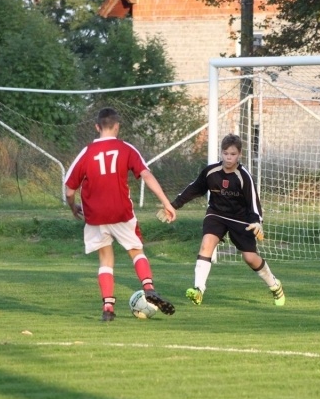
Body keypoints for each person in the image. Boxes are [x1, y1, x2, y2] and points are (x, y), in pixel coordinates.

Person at [64, 107, 177, 321]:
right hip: (121, 211)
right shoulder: (125, 148)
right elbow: (146, 174)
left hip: (95, 215)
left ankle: (108, 307)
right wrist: (166, 203)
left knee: (105, 258)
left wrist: (73, 207)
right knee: (136, 249)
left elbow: (69, 190)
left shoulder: (87, 152)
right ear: (117, 126)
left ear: (97, 127)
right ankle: (149, 287)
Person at [164, 133, 285, 306]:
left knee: (250, 258)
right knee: (206, 245)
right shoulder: (211, 172)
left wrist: (257, 221)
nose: (229, 157)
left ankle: (274, 285)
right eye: (226, 153)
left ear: (239, 155)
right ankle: (198, 290)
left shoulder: (244, 176)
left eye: (233, 154)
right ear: (221, 153)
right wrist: (173, 205)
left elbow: (254, 203)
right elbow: (194, 189)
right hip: (216, 214)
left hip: (241, 219)